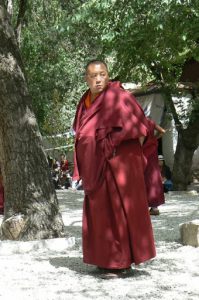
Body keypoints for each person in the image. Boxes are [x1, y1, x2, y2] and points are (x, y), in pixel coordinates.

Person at [72, 59, 156, 278]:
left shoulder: (119, 97)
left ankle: (121, 263)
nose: (98, 79)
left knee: (117, 211)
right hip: (95, 166)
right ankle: (104, 259)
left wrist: (115, 144)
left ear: (108, 75)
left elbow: (139, 127)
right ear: (86, 79)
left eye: (102, 74)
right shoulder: (85, 102)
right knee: (100, 215)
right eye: (93, 76)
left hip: (116, 164)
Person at [143, 120, 166, 216]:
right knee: (153, 175)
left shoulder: (137, 121)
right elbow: (163, 131)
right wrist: (154, 138)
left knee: (143, 176)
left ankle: (143, 205)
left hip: (143, 149)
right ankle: (154, 206)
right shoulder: (150, 122)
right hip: (152, 149)